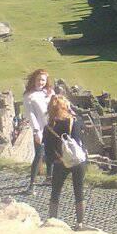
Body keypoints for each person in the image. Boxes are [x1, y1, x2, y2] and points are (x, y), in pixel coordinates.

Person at [42, 95, 86, 226]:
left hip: (60, 163)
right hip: (77, 160)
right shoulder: (74, 122)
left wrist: (56, 160)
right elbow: (79, 137)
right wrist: (72, 112)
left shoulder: (49, 127)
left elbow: (48, 152)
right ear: (65, 107)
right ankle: (79, 223)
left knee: (55, 192)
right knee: (79, 191)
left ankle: (53, 222)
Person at [22, 69, 51, 190]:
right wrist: (36, 131)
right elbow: (31, 115)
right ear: (34, 79)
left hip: (52, 128)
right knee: (39, 155)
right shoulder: (29, 96)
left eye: (43, 80)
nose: (41, 82)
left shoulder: (48, 92)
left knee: (50, 153)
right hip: (40, 129)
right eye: (38, 79)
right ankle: (32, 185)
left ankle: (49, 178)